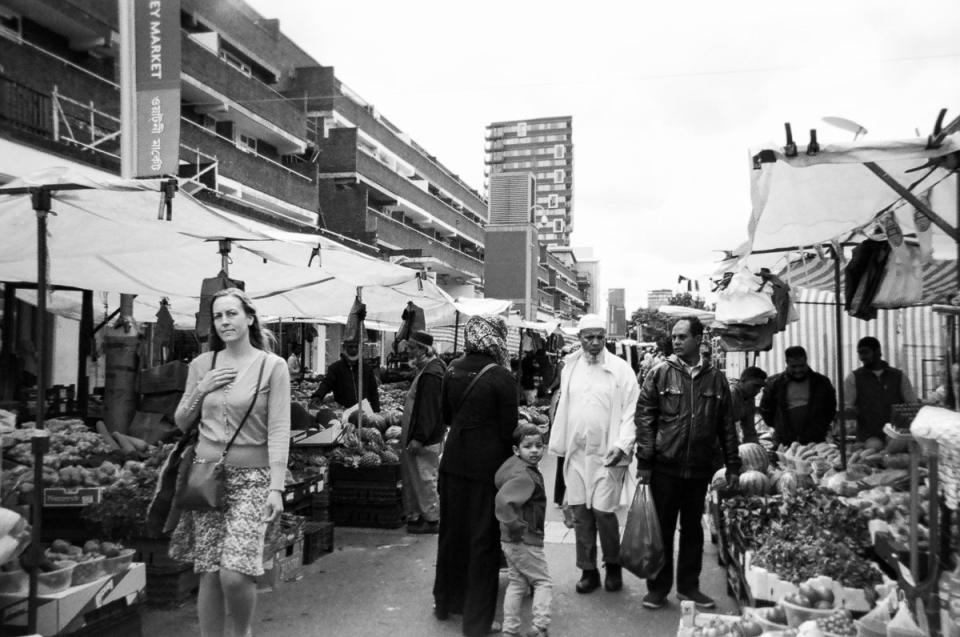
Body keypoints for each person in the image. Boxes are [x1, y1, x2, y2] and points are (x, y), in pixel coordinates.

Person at [170, 288, 290, 637]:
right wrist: (201, 389)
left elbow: (279, 429)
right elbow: (181, 421)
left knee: (234, 573)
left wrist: (277, 487)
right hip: (206, 477)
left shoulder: (272, 366)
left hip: (253, 479)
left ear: (249, 318)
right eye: (218, 316)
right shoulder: (201, 365)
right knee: (209, 570)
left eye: (232, 314)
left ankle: (241, 632)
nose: (225, 322)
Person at [635, 316, 741, 611]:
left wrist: (732, 465)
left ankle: (689, 588)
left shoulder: (717, 379)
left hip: (699, 468)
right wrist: (644, 461)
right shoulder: (659, 373)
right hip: (664, 467)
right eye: (674, 337)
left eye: (683, 336)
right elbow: (644, 419)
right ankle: (657, 589)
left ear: (699, 340)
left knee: (693, 529)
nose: (676, 341)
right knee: (662, 530)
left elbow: (726, 426)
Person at [433, 315, 518, 637]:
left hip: (453, 462)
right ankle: (477, 621)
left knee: (452, 534)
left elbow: (446, 416)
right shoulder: (501, 376)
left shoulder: (451, 368)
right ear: (496, 336)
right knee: (483, 540)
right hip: (487, 469)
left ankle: (445, 602)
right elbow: (509, 428)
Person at [549, 313, 638, 595]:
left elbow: (631, 411)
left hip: (608, 454)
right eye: (589, 337)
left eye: (601, 337)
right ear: (580, 338)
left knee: (603, 511)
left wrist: (623, 445)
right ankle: (588, 571)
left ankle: (613, 565)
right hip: (577, 454)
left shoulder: (621, 370)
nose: (595, 343)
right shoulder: (569, 368)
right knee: (580, 512)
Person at [495, 423, 552, 637]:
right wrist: (517, 527)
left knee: (517, 583)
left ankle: (510, 630)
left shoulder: (513, 467)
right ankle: (540, 625)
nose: (535, 450)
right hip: (526, 539)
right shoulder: (525, 476)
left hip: (510, 540)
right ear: (516, 450)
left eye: (539, 445)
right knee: (542, 581)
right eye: (528, 446)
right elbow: (503, 502)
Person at [401, 331, 446, 534]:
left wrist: (419, 437)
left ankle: (432, 519)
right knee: (419, 478)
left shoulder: (431, 374)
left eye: (411, 348)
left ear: (422, 350)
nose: (408, 352)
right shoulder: (430, 369)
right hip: (423, 436)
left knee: (426, 478)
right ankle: (421, 515)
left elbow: (429, 408)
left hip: (425, 439)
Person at [759, 345, 837, 446]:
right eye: (794, 366)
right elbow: (766, 409)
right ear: (787, 363)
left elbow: (830, 408)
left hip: (815, 440)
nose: (798, 370)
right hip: (784, 440)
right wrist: (780, 427)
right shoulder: (774, 383)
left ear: (806, 361)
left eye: (801, 366)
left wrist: (820, 427)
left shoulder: (822, 382)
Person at [843, 336, 918, 441]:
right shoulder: (853, 378)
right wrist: (850, 411)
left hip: (895, 438)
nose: (862, 357)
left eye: (865, 352)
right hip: (867, 439)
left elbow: (912, 405)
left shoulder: (898, 376)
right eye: (860, 353)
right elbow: (848, 407)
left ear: (878, 352)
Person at [311, 338, 380, 412]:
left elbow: (373, 391)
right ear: (344, 348)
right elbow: (326, 384)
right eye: (350, 347)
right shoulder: (335, 368)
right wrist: (318, 396)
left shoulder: (366, 368)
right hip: (343, 411)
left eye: (356, 347)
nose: (354, 350)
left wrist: (376, 411)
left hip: (364, 411)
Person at [730, 366, 768, 444]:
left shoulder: (750, 399)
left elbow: (749, 431)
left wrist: (756, 449)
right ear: (743, 380)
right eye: (755, 386)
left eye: (760, 388)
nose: (758, 391)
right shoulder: (730, 395)